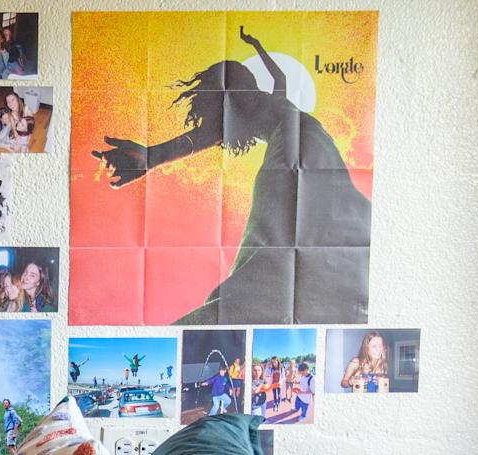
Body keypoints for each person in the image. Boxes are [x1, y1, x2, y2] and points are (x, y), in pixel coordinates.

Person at [88, 24, 371, 323]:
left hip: (305, 152)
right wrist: (151, 155)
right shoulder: (254, 106)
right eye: (238, 77)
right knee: (282, 253)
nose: (245, 80)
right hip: (300, 151)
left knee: (296, 247)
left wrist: (257, 44)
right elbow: (200, 137)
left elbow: (277, 79)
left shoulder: (263, 100)